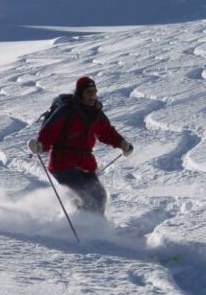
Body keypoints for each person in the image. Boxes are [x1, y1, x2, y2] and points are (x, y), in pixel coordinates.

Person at [28, 76, 133, 215]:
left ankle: (95, 226)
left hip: (85, 163)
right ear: (80, 93)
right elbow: (50, 130)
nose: (92, 96)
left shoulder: (96, 113)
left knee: (100, 196)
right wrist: (40, 146)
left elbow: (107, 132)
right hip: (63, 163)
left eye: (94, 92)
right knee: (86, 198)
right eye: (88, 92)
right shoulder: (66, 110)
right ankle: (83, 227)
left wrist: (122, 144)